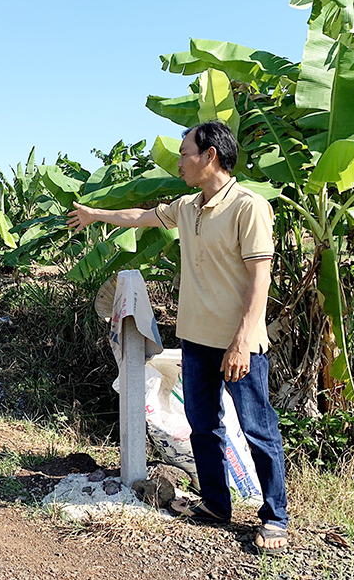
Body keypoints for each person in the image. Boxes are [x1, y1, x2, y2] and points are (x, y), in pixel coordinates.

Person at [67, 121, 288, 555]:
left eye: (186, 153)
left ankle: (274, 518)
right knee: (203, 427)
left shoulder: (249, 206)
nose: (180, 161)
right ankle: (216, 506)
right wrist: (95, 215)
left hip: (237, 342)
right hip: (196, 341)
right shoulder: (189, 206)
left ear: (210, 157)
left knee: (258, 429)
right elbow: (142, 217)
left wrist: (242, 340)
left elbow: (260, 280)